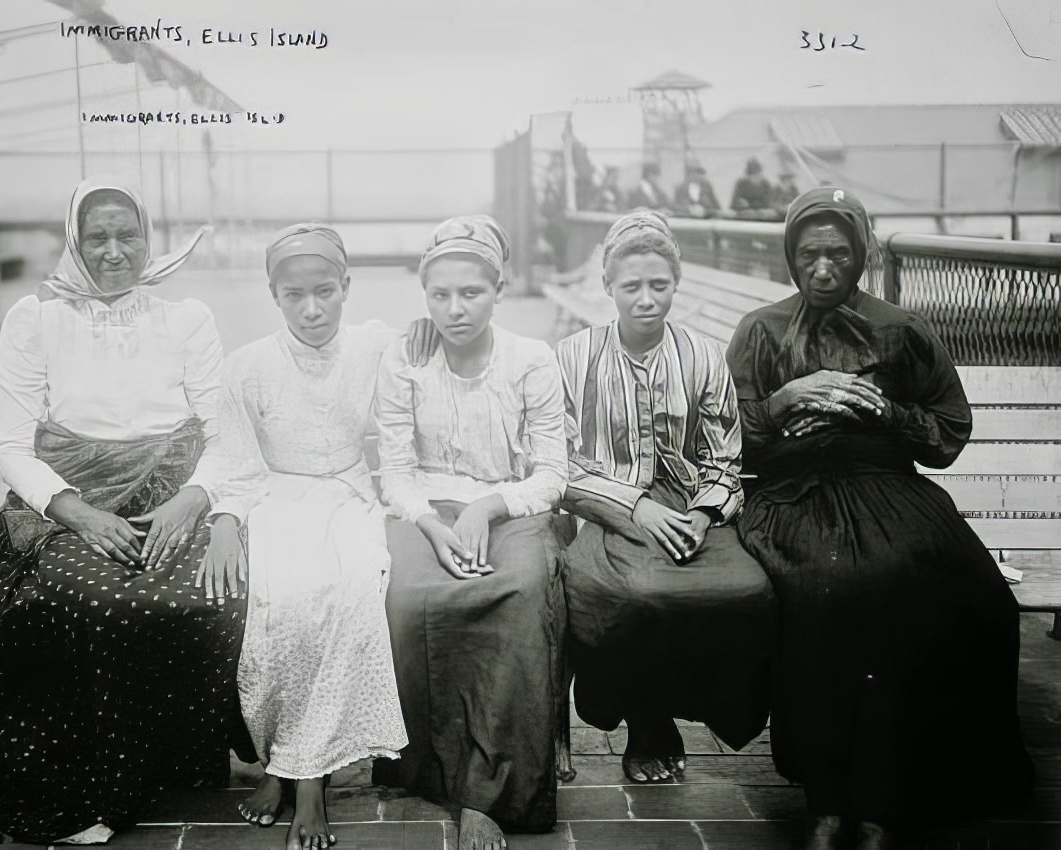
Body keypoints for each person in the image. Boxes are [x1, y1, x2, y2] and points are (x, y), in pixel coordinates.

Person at [725, 187, 1034, 849]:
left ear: (862, 253)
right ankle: (829, 796)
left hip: (886, 484)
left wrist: (885, 412)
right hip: (794, 495)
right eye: (809, 254)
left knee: (955, 586)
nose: (824, 268)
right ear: (790, 256)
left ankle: (889, 798)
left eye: (839, 253)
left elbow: (948, 432)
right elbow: (727, 437)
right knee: (829, 590)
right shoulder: (761, 330)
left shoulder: (902, 329)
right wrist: (784, 400)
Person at [0, 180, 246, 845]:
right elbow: (10, 444)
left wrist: (193, 498)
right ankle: (99, 783)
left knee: (210, 598)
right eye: (98, 237)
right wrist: (74, 513)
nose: (115, 251)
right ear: (74, 242)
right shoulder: (35, 318)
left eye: (128, 234)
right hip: (70, 497)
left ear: (148, 237)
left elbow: (224, 432)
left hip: (172, 491)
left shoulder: (186, 318)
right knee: (97, 600)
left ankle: (178, 758)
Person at [208, 225, 436, 850]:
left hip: (348, 495)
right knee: (279, 599)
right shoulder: (247, 366)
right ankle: (285, 762)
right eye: (294, 295)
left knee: (354, 588)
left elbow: (430, 338)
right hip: (275, 498)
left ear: (346, 288)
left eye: (325, 292)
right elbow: (233, 459)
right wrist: (227, 518)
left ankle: (309, 779)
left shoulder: (373, 346)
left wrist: (426, 327)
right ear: (274, 295)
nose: (312, 309)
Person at [555, 210, 776, 784]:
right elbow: (558, 458)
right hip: (604, 507)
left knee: (748, 590)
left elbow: (725, 455)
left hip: (689, 506)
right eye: (631, 286)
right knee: (633, 595)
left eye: (660, 285)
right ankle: (645, 719)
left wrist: (703, 516)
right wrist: (634, 506)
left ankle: (699, 709)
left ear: (676, 283)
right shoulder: (574, 356)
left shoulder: (704, 356)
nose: (646, 299)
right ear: (607, 287)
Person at [371, 215, 569, 850]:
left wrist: (487, 507)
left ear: (499, 290)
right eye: (440, 295)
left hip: (512, 507)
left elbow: (553, 474)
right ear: (424, 295)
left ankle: (489, 793)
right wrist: (429, 523)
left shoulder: (530, 359)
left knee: (518, 594)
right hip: (424, 508)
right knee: (409, 599)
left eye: (472, 293)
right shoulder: (407, 356)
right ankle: (425, 769)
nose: (455, 310)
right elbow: (395, 471)